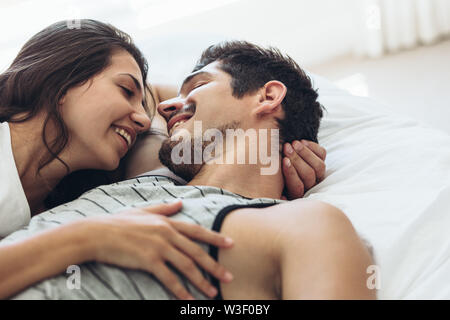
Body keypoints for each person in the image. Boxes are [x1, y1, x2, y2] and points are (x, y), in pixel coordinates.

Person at [3, 41, 374, 300]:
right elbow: (111, 88)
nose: (165, 108)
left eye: (196, 86)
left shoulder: (304, 224)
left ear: (267, 96)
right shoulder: (143, 166)